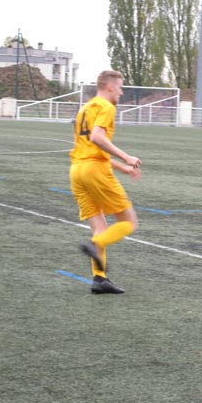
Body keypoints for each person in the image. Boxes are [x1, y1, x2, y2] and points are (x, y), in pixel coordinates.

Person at [70, 70, 142, 294]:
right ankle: (96, 245)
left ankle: (99, 279)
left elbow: (90, 149)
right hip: (95, 171)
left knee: (100, 228)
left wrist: (122, 168)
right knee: (129, 222)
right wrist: (126, 157)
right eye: (120, 87)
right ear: (110, 86)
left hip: (77, 171)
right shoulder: (106, 106)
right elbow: (97, 138)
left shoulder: (85, 108)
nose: (121, 92)